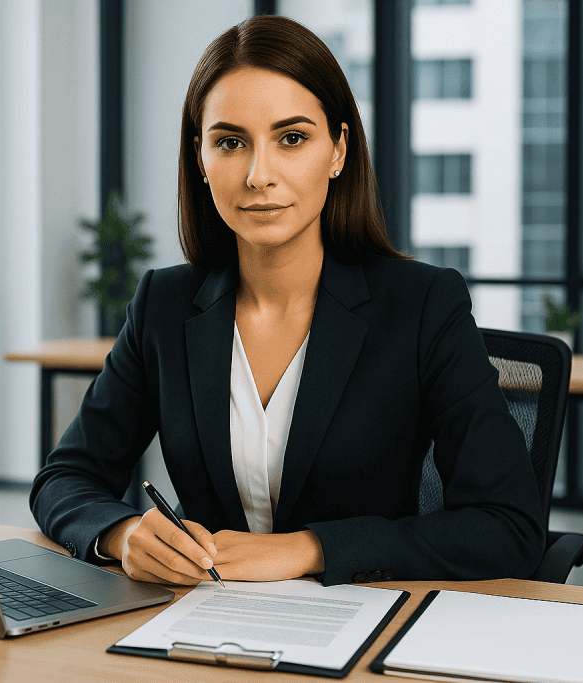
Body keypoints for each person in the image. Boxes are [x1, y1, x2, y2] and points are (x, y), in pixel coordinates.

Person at [30, 15, 544, 587]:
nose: (258, 175)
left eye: (292, 138)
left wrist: (309, 549)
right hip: (206, 627)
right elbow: (65, 478)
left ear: (338, 152)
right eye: (230, 142)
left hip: (361, 625)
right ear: (200, 158)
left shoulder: (423, 304)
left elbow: (508, 527)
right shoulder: (164, 305)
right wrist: (122, 534)